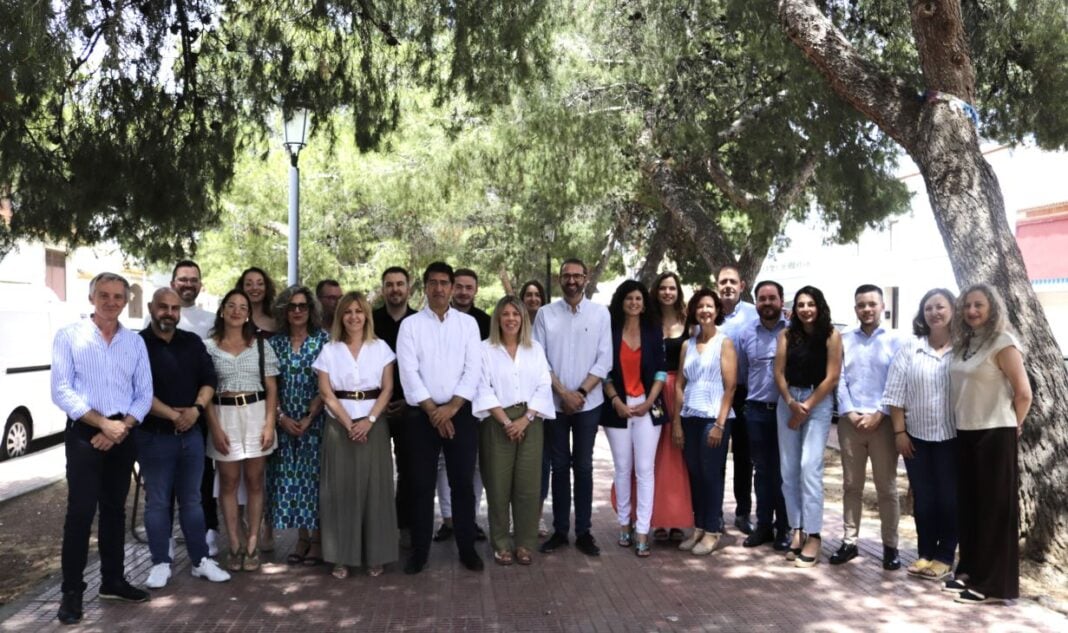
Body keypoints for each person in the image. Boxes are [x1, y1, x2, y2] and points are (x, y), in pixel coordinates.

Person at [51, 272, 154, 624]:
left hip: (123, 433)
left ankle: (112, 581)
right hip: (84, 434)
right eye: (104, 295)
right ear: (91, 297)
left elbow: (144, 394)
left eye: (118, 296)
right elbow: (61, 390)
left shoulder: (135, 343)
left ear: (126, 301)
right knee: (80, 512)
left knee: (114, 511)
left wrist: (120, 427)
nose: (111, 302)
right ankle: (71, 592)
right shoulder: (69, 336)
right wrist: (102, 424)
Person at [137, 288, 231, 589]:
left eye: (174, 308)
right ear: (151, 308)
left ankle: (200, 561)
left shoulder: (191, 342)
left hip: (191, 435)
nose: (169, 313)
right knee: (157, 502)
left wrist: (195, 409)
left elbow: (209, 379)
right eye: (163, 307)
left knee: (193, 501)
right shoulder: (137, 345)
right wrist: (173, 415)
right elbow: (136, 390)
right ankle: (160, 563)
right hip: (154, 436)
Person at [945, 284, 1031, 605]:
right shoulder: (965, 344)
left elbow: (1024, 393)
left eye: (978, 305)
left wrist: (1014, 424)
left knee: (994, 511)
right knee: (970, 507)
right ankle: (969, 571)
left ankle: (993, 586)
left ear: (992, 307)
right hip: (965, 432)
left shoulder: (1003, 342)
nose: (971, 311)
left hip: (995, 433)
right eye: (967, 305)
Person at [396, 262, 484, 574]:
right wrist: (435, 411)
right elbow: (409, 372)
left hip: (460, 414)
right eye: (433, 282)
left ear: (451, 287)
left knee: (463, 484)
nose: (439, 288)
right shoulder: (410, 326)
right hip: (422, 416)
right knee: (421, 485)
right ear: (425, 286)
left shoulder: (468, 325)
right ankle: (420, 552)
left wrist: (452, 408)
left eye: (444, 283)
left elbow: (473, 370)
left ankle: (466, 548)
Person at [315, 291, 398, 578]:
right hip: (340, 427)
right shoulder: (330, 350)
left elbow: (387, 388)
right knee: (341, 492)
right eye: (348, 312)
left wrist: (369, 420)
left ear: (366, 315)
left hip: (373, 426)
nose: (353, 317)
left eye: (358, 311)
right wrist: (349, 423)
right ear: (341, 317)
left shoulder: (381, 348)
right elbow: (326, 393)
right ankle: (341, 556)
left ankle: (377, 554)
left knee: (376, 490)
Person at [533, 258, 612, 557]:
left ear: (586, 278)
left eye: (577, 276)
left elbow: (604, 360)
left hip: (588, 404)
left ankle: (584, 532)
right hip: (554, 404)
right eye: (566, 275)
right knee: (559, 467)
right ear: (559, 279)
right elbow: (539, 359)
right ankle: (560, 531)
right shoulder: (545, 314)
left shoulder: (600, 314)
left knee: (583, 466)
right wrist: (562, 393)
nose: (571, 280)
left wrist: (579, 393)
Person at [473, 295, 555, 565]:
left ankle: (524, 543)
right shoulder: (484, 349)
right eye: (505, 314)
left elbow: (544, 384)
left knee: (528, 486)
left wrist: (526, 418)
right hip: (496, 421)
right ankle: (501, 543)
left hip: (530, 420)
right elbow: (482, 387)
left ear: (523, 318)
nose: (511, 319)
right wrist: (507, 422)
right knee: (498, 486)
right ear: (498, 318)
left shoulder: (535, 349)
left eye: (516, 314)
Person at [883, 288, 958, 582]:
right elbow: (895, 394)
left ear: (953, 309)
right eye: (929, 308)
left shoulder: (964, 349)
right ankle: (925, 553)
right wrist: (899, 432)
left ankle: (945, 556)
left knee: (949, 499)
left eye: (940, 307)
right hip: (916, 438)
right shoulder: (910, 348)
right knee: (924, 498)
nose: (934, 313)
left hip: (954, 439)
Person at [203, 289, 280, 573]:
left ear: (248, 313)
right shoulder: (208, 347)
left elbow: (271, 388)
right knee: (228, 482)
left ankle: (252, 542)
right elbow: (205, 391)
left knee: (256, 480)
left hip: (256, 413)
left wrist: (269, 423)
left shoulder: (260, 346)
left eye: (243, 307)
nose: (237, 311)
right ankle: (234, 543)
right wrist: (214, 427)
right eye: (231, 305)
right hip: (223, 415)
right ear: (222, 310)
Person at [830, 285, 905, 570]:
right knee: (852, 486)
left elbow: (897, 381)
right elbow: (839, 379)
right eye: (861, 305)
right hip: (850, 423)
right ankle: (849, 541)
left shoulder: (896, 340)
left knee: (887, 487)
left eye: (872, 304)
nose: (867, 309)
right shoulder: (844, 339)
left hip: (883, 423)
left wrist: (879, 413)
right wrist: (849, 412)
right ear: (855, 309)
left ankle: (891, 546)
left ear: (882, 306)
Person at [774, 285, 842, 568]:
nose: (805, 309)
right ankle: (797, 530)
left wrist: (806, 407)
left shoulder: (831, 335)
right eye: (800, 305)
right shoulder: (786, 335)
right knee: (789, 471)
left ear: (819, 306)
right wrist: (791, 402)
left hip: (818, 402)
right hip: (788, 401)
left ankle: (814, 535)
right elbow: (778, 372)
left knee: (809, 468)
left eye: (810, 304)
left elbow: (832, 377)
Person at [601, 280, 667, 557]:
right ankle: (624, 525)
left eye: (638, 298)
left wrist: (649, 401)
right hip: (617, 407)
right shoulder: (610, 331)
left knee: (644, 469)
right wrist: (616, 400)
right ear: (621, 301)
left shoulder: (653, 331)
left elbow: (661, 371)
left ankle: (642, 530)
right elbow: (603, 371)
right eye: (629, 298)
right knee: (622, 468)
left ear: (644, 303)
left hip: (648, 407)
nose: (634, 303)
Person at [673, 288, 737, 556]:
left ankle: (712, 530)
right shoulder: (687, 345)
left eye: (709, 306)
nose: (705, 311)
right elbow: (679, 384)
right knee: (695, 475)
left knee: (711, 475)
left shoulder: (725, 343)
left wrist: (719, 424)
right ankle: (698, 527)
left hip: (713, 418)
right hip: (690, 417)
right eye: (700, 307)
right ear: (694, 311)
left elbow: (730, 387)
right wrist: (677, 422)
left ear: (717, 310)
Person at [267, 286, 328, 567]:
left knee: (313, 482)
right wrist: (280, 417)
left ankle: (317, 541)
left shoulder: (323, 340)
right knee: (291, 482)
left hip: (314, 422)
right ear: (284, 310)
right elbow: (270, 385)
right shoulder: (275, 343)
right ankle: (301, 539)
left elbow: (327, 384)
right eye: (292, 306)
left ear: (311, 309)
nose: (297, 311)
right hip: (283, 423)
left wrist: (309, 417)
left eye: (303, 306)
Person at [433, 267, 489, 542]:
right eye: (460, 287)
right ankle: (448, 519)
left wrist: (458, 404)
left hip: (474, 405)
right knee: (443, 464)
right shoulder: (434, 320)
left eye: (470, 287)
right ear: (452, 288)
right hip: (437, 405)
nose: (464, 292)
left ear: (476, 290)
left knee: (472, 466)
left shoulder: (485, 322)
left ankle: (469, 519)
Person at [735, 280, 790, 551]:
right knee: (762, 471)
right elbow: (743, 373)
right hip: (756, 411)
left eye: (772, 298)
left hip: (786, 411)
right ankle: (764, 525)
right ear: (756, 302)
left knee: (784, 471)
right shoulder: (746, 333)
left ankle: (785, 528)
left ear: (781, 300)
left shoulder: (792, 331)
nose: (767, 303)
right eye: (762, 298)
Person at [372, 266, 418, 548]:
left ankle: (404, 525)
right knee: (376, 471)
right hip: (374, 407)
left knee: (409, 470)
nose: (395, 289)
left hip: (410, 406)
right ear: (383, 289)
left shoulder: (418, 322)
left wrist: (409, 400)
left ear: (408, 288)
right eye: (389, 284)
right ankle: (378, 527)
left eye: (400, 284)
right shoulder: (370, 321)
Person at [647, 272, 692, 542]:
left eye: (672, 288)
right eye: (663, 288)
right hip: (654, 392)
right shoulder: (648, 321)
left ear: (678, 291)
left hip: (680, 391)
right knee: (654, 454)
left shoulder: (689, 322)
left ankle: (676, 519)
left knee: (676, 455)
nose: (667, 292)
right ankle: (657, 520)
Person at [716, 265, 758, 535]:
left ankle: (743, 513)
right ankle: (714, 513)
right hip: (716, 395)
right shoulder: (709, 312)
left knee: (744, 457)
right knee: (716, 455)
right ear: (717, 286)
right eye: (723, 282)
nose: (728, 286)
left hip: (745, 394)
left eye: (733, 281)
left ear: (742, 285)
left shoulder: (754, 314)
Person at [518, 278, 551, 537]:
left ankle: (537, 516)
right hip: (515, 405)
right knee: (514, 466)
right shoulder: (511, 325)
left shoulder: (549, 324)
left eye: (537, 294)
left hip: (542, 406)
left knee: (541, 464)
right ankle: (515, 517)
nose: (533, 299)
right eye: (528, 295)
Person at [236, 267, 278, 338]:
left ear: (267, 287)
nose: (255, 288)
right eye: (249, 284)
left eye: (260, 284)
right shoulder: (234, 317)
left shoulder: (278, 318)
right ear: (242, 288)